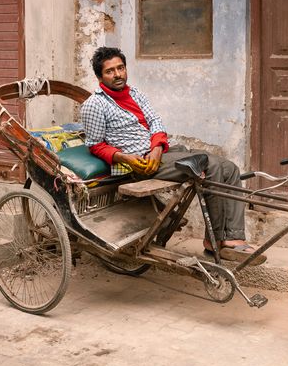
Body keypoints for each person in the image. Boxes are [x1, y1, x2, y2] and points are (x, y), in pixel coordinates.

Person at [81, 46, 265, 265]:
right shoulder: (94, 105)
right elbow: (95, 145)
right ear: (100, 77)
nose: (118, 74)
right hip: (140, 164)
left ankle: (231, 236)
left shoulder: (135, 93)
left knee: (229, 167)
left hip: (161, 153)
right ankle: (218, 240)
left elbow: (155, 122)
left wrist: (157, 147)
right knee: (210, 166)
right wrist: (125, 158)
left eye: (120, 68)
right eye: (110, 71)